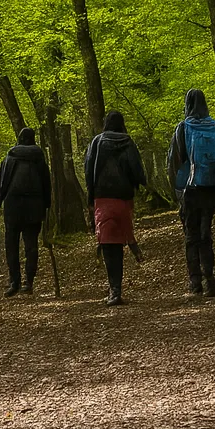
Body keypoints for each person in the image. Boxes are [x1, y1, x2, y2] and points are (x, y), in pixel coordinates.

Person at [168, 89, 215, 297]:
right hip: (210, 189)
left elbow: (174, 162)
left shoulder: (183, 128)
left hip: (190, 190)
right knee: (206, 234)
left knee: (191, 235)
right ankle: (211, 280)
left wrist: (177, 191)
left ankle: (195, 283)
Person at [84, 110, 147, 306]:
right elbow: (137, 168)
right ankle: (116, 288)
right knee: (119, 241)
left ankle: (114, 289)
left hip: (103, 198)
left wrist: (90, 195)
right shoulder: (128, 141)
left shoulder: (97, 142)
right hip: (124, 198)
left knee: (108, 243)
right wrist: (140, 185)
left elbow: (88, 167)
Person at [0, 127, 51, 297]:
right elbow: (47, 184)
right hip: (34, 207)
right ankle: (28, 282)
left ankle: (14, 282)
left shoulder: (9, 158)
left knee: (12, 245)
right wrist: (47, 207)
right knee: (31, 245)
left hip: (13, 207)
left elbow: (1, 184)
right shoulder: (39, 158)